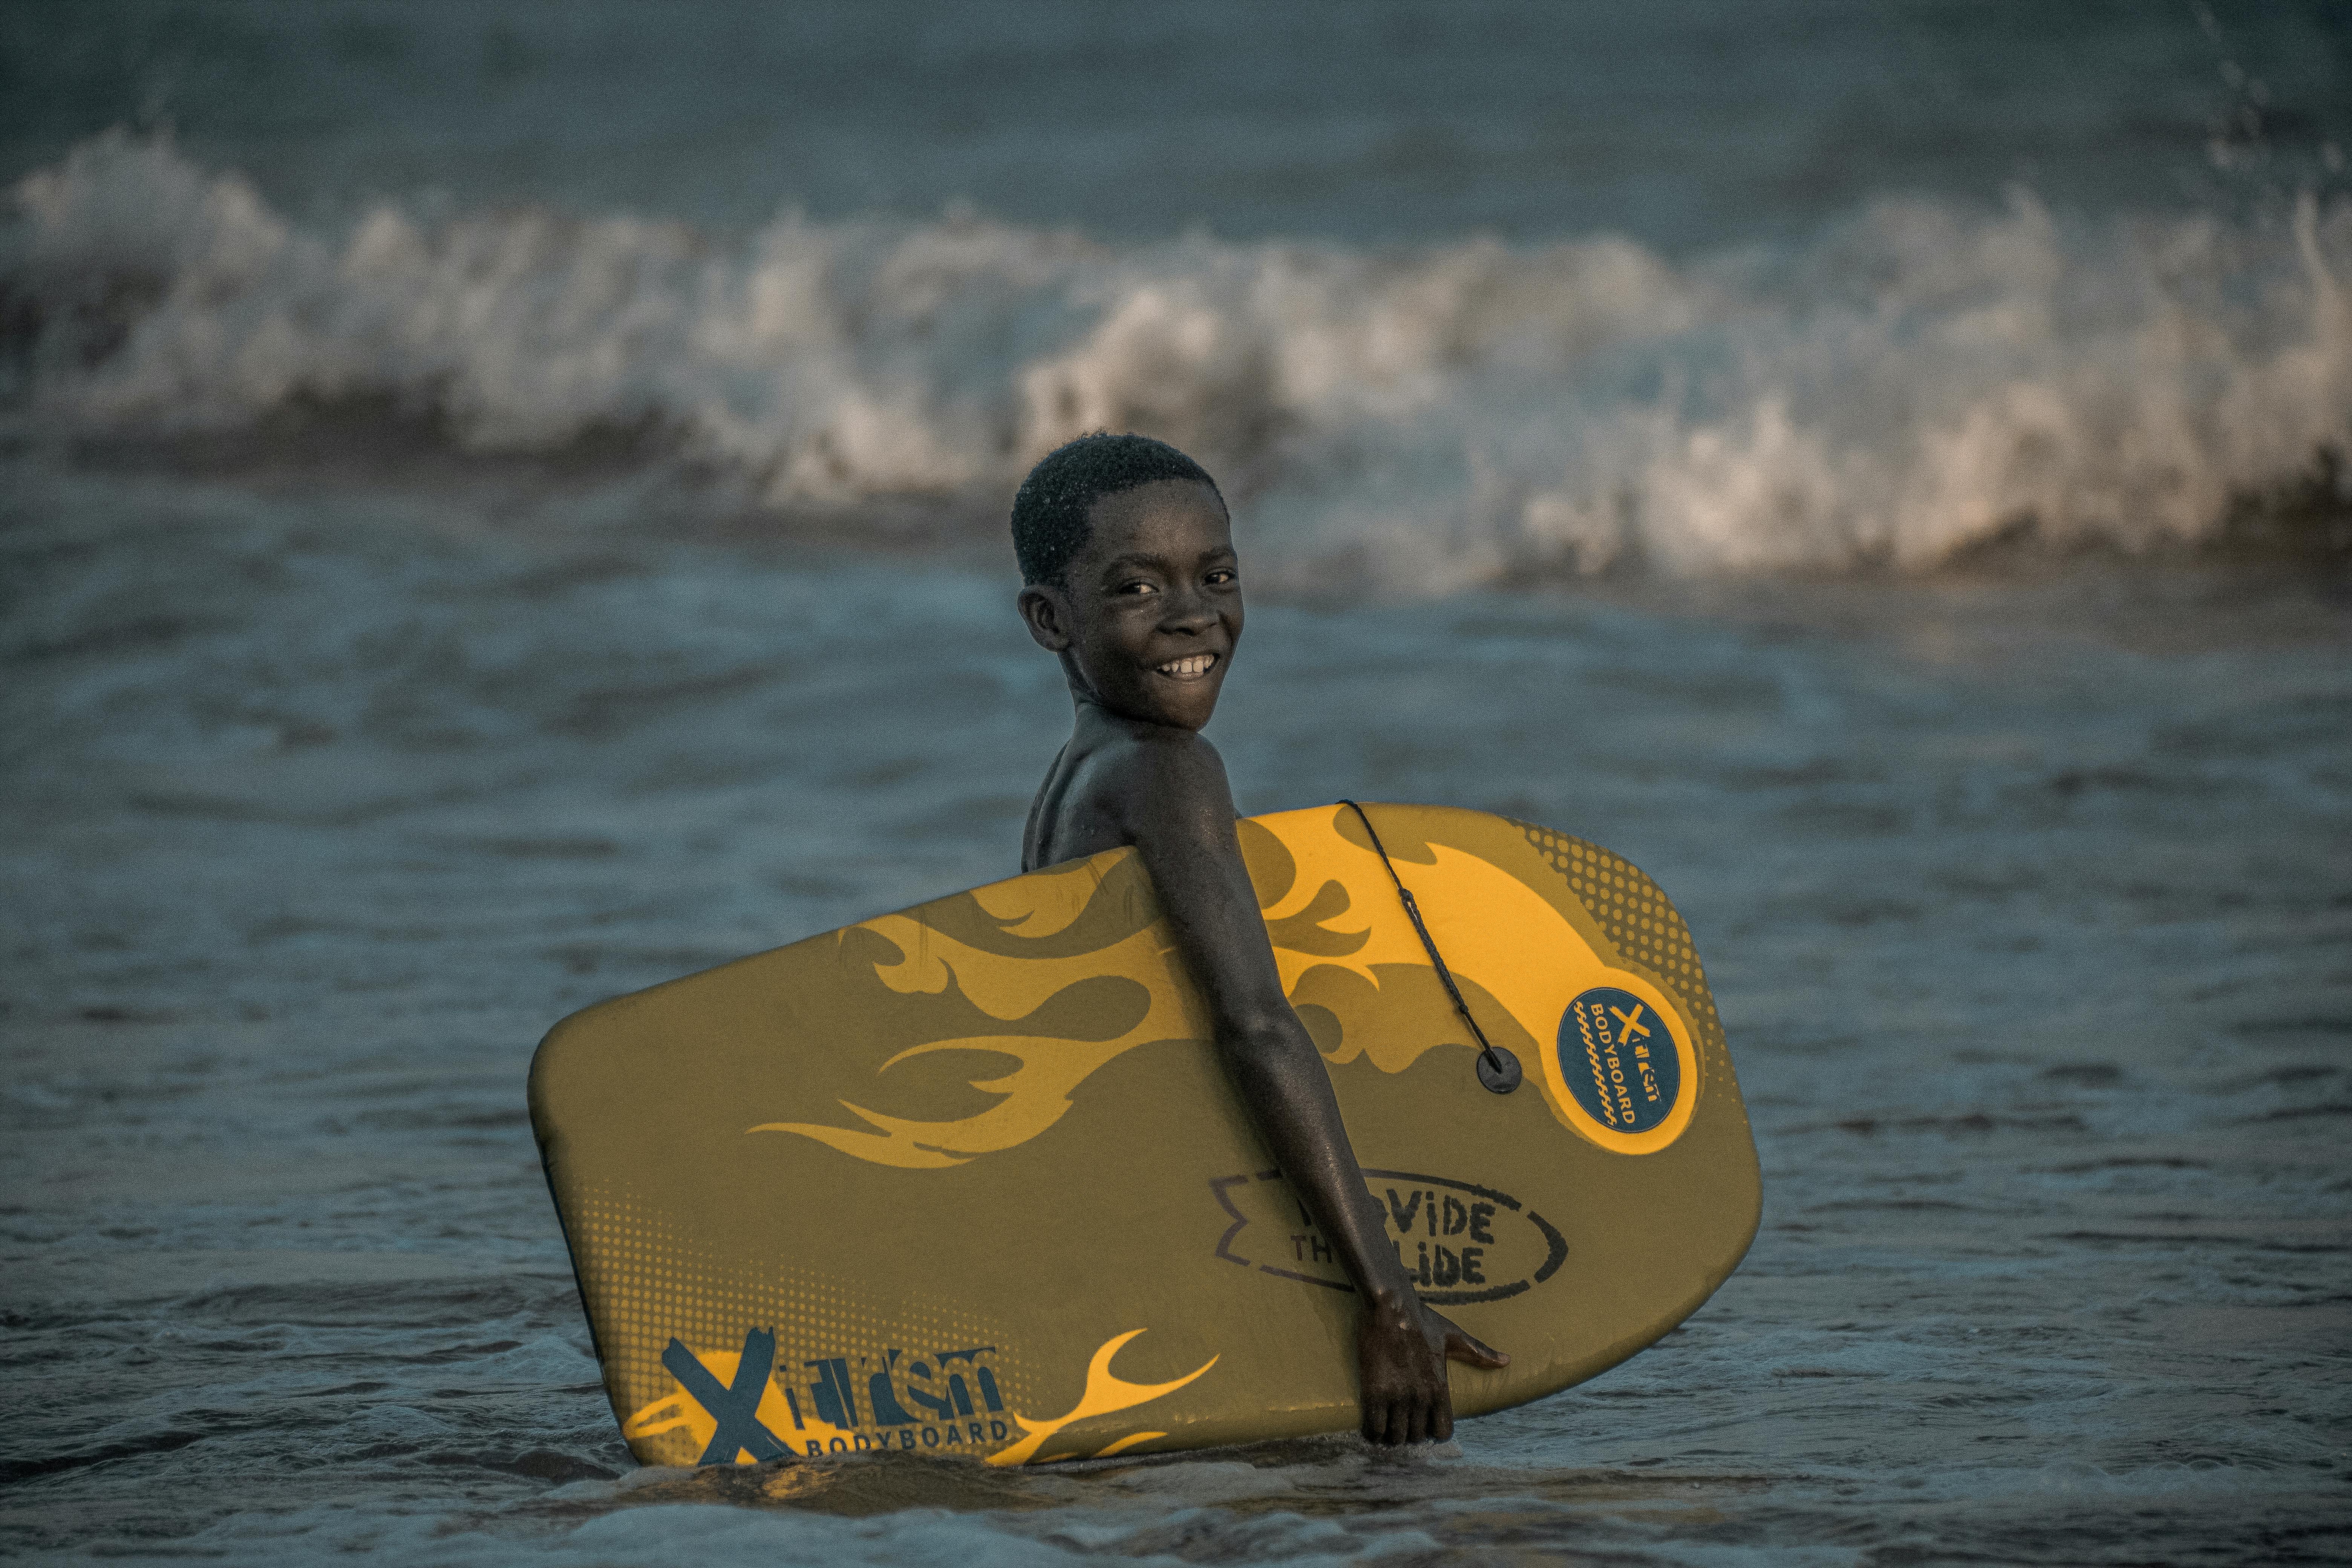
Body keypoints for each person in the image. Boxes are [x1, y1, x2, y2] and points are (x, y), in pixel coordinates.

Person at [1010, 431, 1508, 1446]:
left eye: (1218, 576)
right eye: (1137, 588)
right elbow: (1256, 1027)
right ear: (1051, 619)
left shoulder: (1080, 772)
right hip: (1173, 1250)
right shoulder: (1169, 773)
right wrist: (1386, 1296)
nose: (1194, 613)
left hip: (1121, 1231)